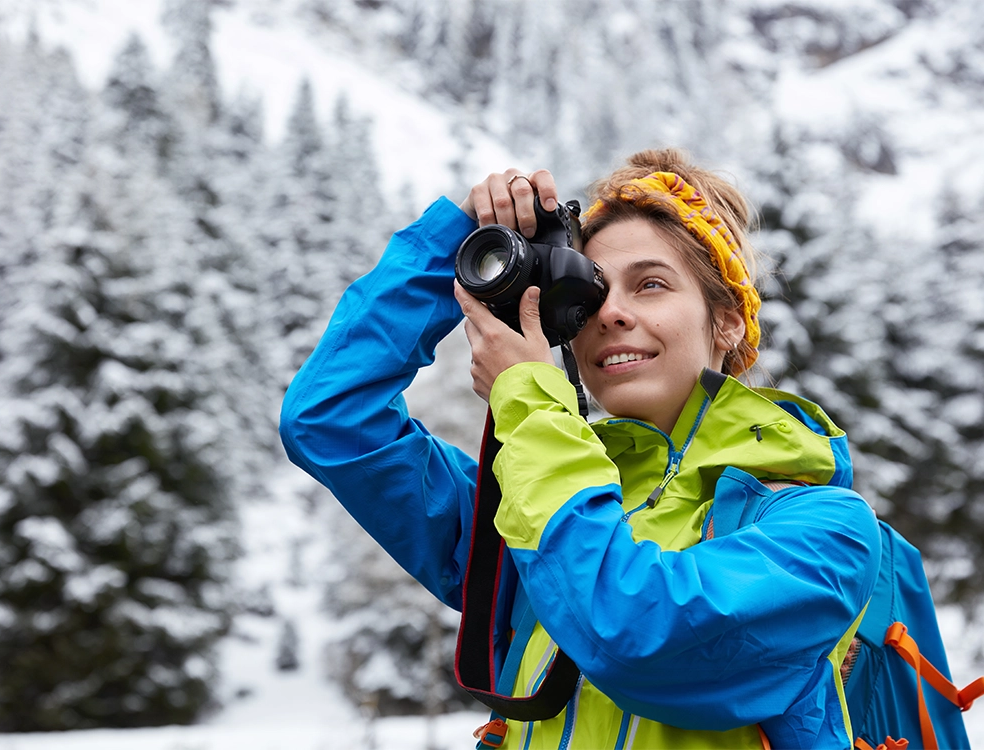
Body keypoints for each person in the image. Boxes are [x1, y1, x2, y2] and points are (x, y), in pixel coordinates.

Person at [279, 148, 881, 749]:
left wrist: (530, 405)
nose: (612, 313)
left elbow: (632, 632)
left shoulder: (825, 528)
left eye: (650, 285)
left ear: (725, 322)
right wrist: (453, 241)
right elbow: (330, 419)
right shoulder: (527, 508)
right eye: (591, 293)